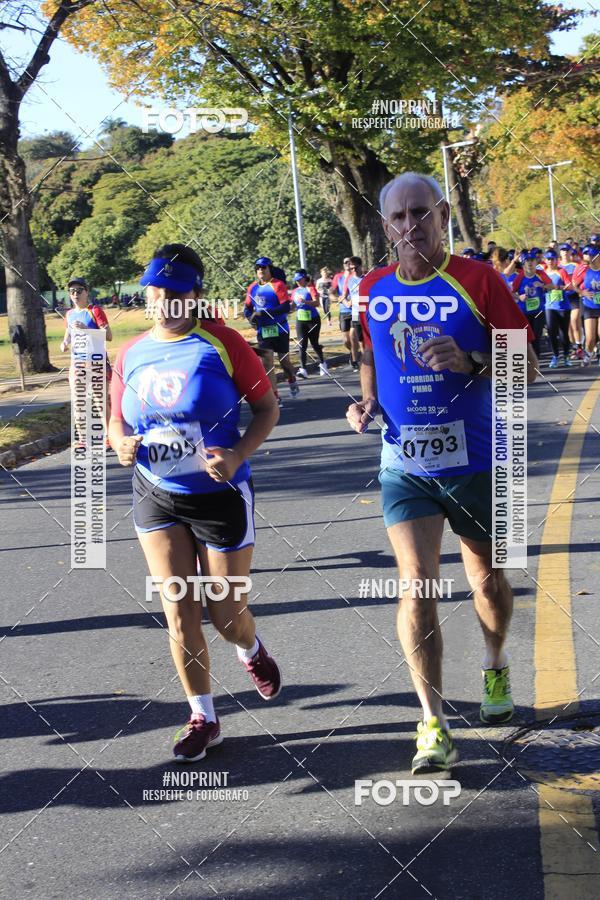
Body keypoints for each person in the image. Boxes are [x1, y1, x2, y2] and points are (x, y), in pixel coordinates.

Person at [346, 172, 537, 773]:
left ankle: (494, 662)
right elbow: (371, 351)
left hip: (479, 458)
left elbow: (529, 367)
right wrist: (367, 400)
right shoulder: (373, 286)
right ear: (385, 227)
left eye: (421, 213)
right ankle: (432, 724)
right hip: (405, 462)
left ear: (444, 214)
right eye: (399, 217)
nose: (411, 226)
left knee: (487, 581)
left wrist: (472, 359)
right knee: (417, 585)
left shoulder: (479, 281)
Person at [109, 243, 282, 763]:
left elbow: (267, 408)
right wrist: (119, 442)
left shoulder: (224, 344)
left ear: (196, 295)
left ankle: (250, 647)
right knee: (180, 609)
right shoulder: (131, 353)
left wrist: (238, 454)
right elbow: (116, 419)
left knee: (225, 615)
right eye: (155, 292)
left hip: (220, 495)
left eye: (175, 293)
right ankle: (203, 717)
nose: (164, 302)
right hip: (156, 493)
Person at [60, 276, 113, 446]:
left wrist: (87, 329)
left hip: (96, 362)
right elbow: (69, 333)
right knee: (78, 400)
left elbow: (109, 336)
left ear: (86, 292)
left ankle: (109, 436)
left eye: (79, 290)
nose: (75, 294)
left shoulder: (95, 311)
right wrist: (65, 343)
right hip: (77, 363)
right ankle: (83, 438)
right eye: (72, 291)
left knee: (100, 400)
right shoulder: (69, 314)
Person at [244, 256, 299, 401]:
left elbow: (285, 307)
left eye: (263, 267)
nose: (260, 270)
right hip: (263, 330)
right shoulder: (252, 288)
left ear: (269, 269)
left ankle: (292, 379)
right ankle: (275, 397)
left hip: (280, 328)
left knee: (284, 361)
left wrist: (263, 313)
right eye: (257, 268)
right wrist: (251, 319)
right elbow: (247, 308)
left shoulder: (278, 285)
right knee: (267, 362)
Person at [511, 251, 552, 357]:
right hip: (524, 312)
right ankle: (527, 359)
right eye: (527, 261)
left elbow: (552, 286)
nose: (530, 263)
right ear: (524, 263)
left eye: (532, 260)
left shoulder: (540, 274)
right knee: (525, 338)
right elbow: (511, 292)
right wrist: (519, 297)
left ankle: (536, 361)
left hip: (539, 312)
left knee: (536, 337)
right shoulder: (520, 277)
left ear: (536, 262)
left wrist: (542, 285)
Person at [291, 270, 328, 377]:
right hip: (300, 320)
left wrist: (305, 302)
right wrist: (285, 310)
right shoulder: (295, 291)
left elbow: (317, 303)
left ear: (304, 278)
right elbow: (293, 305)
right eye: (296, 280)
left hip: (313, 320)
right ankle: (303, 369)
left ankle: (323, 364)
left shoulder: (310, 288)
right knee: (302, 344)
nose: (297, 282)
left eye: (299, 279)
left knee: (314, 343)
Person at [543, 250, 573, 367]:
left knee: (563, 333)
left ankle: (566, 356)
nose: (550, 261)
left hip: (563, 307)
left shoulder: (561, 271)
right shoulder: (543, 273)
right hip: (549, 307)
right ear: (545, 260)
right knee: (551, 332)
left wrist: (558, 287)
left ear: (556, 260)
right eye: (548, 259)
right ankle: (555, 356)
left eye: (552, 259)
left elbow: (570, 286)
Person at [573, 245, 600, 364]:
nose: (592, 258)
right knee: (590, 338)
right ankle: (589, 353)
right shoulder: (584, 270)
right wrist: (582, 292)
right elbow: (574, 285)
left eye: (594, 256)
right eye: (590, 256)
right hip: (589, 306)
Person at [339, 255, 364, 371]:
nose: (353, 270)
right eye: (351, 268)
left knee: (363, 341)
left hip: (365, 312)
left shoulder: (366, 279)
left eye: (355, 268)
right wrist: (347, 303)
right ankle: (355, 361)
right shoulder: (349, 280)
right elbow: (343, 296)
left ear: (360, 266)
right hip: (355, 312)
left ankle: (366, 361)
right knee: (353, 336)